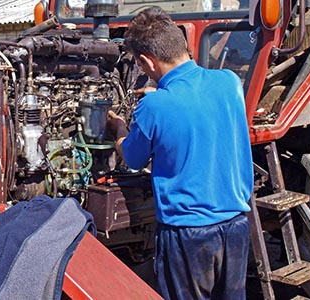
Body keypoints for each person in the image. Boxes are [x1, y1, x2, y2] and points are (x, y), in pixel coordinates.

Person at [107, 8, 254, 300]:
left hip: (189, 234)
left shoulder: (154, 107)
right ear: (183, 45)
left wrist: (119, 128)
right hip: (236, 226)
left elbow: (133, 159)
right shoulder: (229, 82)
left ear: (146, 61)